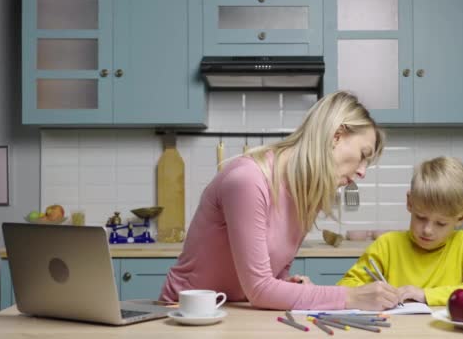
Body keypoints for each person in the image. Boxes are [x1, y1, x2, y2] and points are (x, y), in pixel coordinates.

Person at [160, 91, 399, 311]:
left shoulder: (308, 194)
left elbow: (273, 274)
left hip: (237, 313)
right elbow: (260, 290)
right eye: (363, 156)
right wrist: (351, 297)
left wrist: (288, 283)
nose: (362, 172)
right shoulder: (249, 180)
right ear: (336, 136)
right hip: (186, 314)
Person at [337, 156, 463, 306]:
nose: (428, 230)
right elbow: (344, 287)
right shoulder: (387, 245)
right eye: (421, 217)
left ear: (460, 218)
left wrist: (426, 295)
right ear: (410, 202)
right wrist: (371, 293)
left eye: (441, 223)